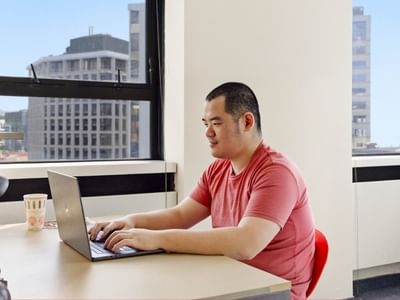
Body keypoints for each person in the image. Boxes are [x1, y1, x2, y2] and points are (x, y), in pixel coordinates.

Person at [89, 82, 315, 300]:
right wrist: (131, 222)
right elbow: (179, 216)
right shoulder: (218, 169)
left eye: (216, 123)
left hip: (271, 292)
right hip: (231, 280)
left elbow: (246, 244)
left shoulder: (276, 172)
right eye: (205, 123)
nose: (208, 132)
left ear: (246, 122)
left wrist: (155, 239)